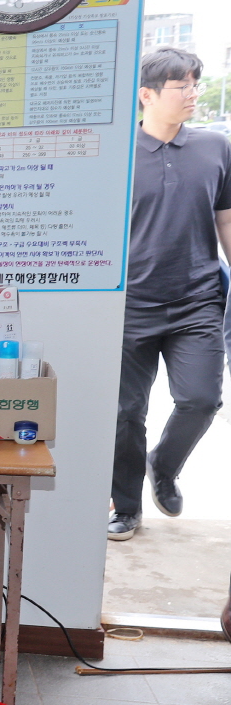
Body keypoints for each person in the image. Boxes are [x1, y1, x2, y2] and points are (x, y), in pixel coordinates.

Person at [109, 47, 231, 541]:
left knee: (202, 399)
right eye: (183, 86)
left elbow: (225, 217)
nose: (193, 94)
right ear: (147, 95)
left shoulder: (216, 146)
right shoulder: (116, 152)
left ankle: (164, 463)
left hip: (197, 299)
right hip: (130, 304)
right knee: (124, 414)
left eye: (195, 84)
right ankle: (127, 505)